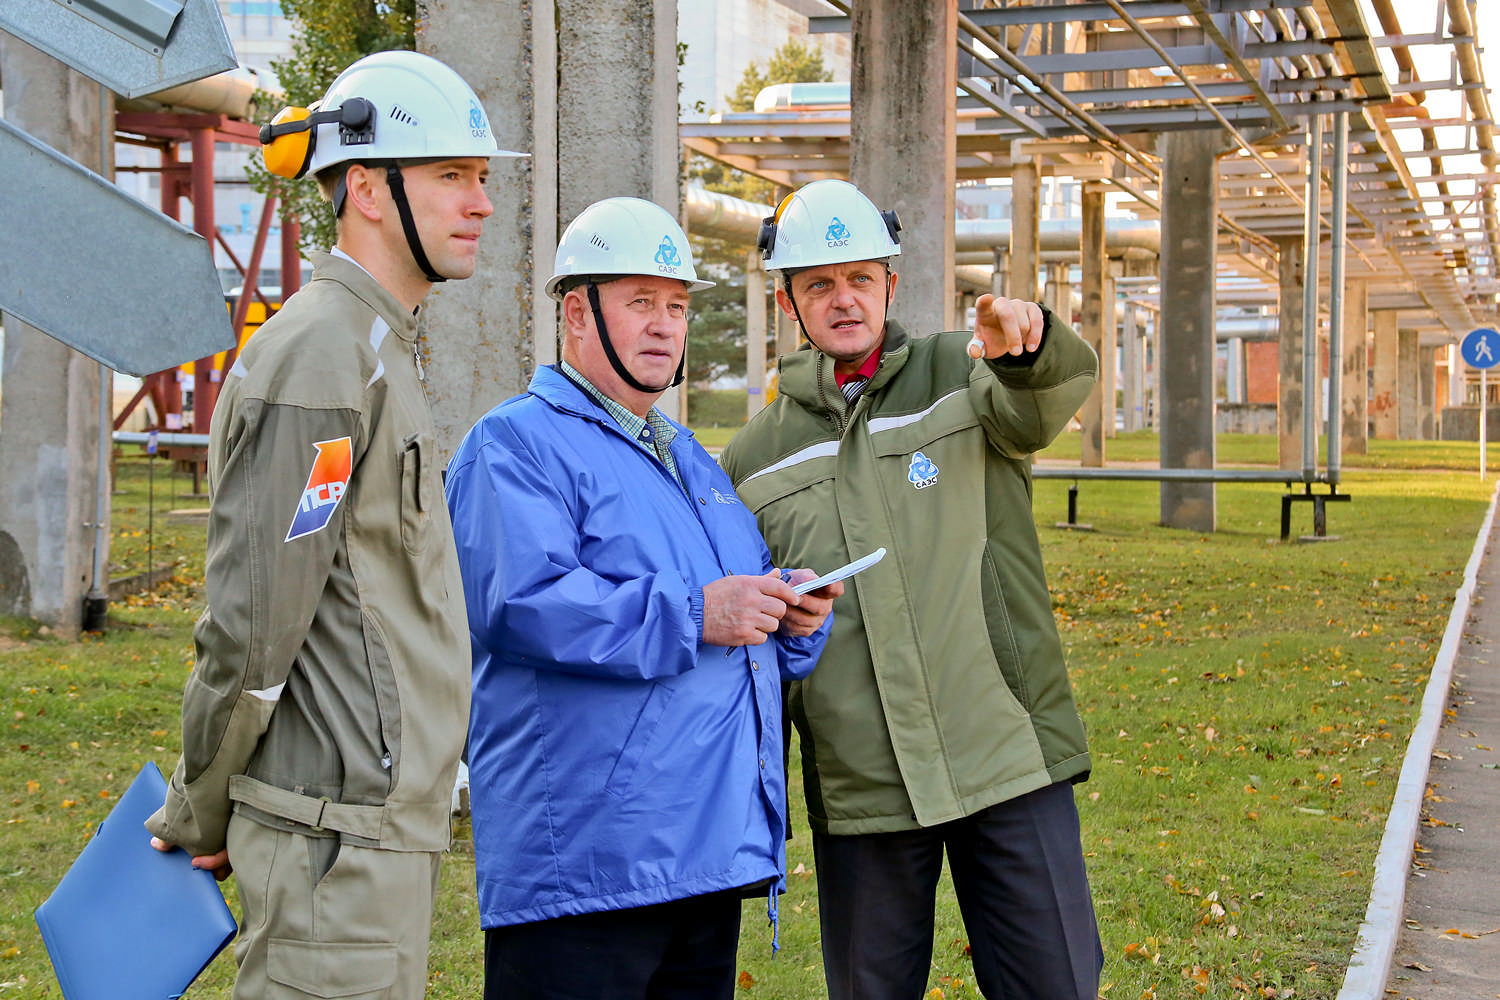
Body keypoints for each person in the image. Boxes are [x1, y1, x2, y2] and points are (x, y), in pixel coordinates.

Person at [144, 50, 524, 999]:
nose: (479, 203)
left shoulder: (373, 345)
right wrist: (204, 805)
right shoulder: (321, 357)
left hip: (367, 833)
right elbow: (253, 625)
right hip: (332, 841)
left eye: (480, 179)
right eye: (450, 176)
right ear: (365, 186)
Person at [444, 196, 842, 1000]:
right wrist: (700, 612)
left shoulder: (689, 455)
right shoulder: (514, 444)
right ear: (575, 314)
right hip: (588, 870)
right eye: (639, 303)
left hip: (702, 854)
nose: (664, 326)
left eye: (676, 306)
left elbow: (734, 602)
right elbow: (526, 604)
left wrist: (790, 612)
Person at [720, 178, 1104, 1000]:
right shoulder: (754, 458)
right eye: (819, 283)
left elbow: (1035, 408)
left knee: (1056, 983)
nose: (843, 299)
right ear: (791, 301)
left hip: (1002, 750)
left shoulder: (962, 375)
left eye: (860, 277)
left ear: (891, 284)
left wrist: (1025, 349)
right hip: (862, 783)